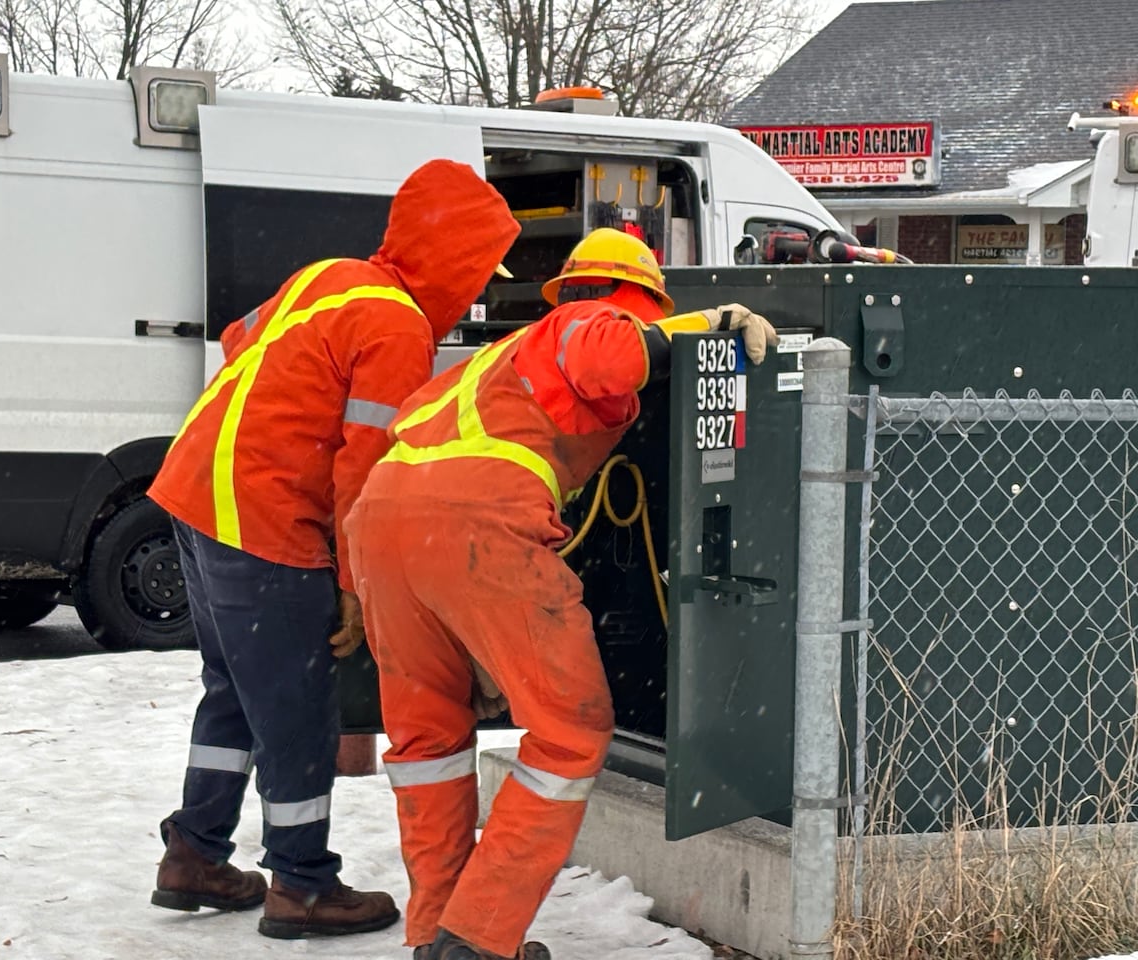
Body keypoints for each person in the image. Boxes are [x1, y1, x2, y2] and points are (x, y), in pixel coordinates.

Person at [345, 227, 778, 960]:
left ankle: (438, 935)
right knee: (572, 732)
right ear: (635, 299)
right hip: (475, 523)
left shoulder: (492, 361)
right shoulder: (586, 320)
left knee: (428, 745)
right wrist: (704, 329)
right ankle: (480, 937)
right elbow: (613, 354)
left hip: (383, 531)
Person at [146, 158, 520, 940]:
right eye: (480, 266)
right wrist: (355, 586)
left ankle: (195, 855)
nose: (479, 286)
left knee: (233, 690)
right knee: (297, 710)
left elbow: (241, 339)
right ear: (452, 254)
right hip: (263, 517)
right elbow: (362, 467)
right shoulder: (398, 327)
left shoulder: (334, 276)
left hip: (194, 490)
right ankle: (303, 886)